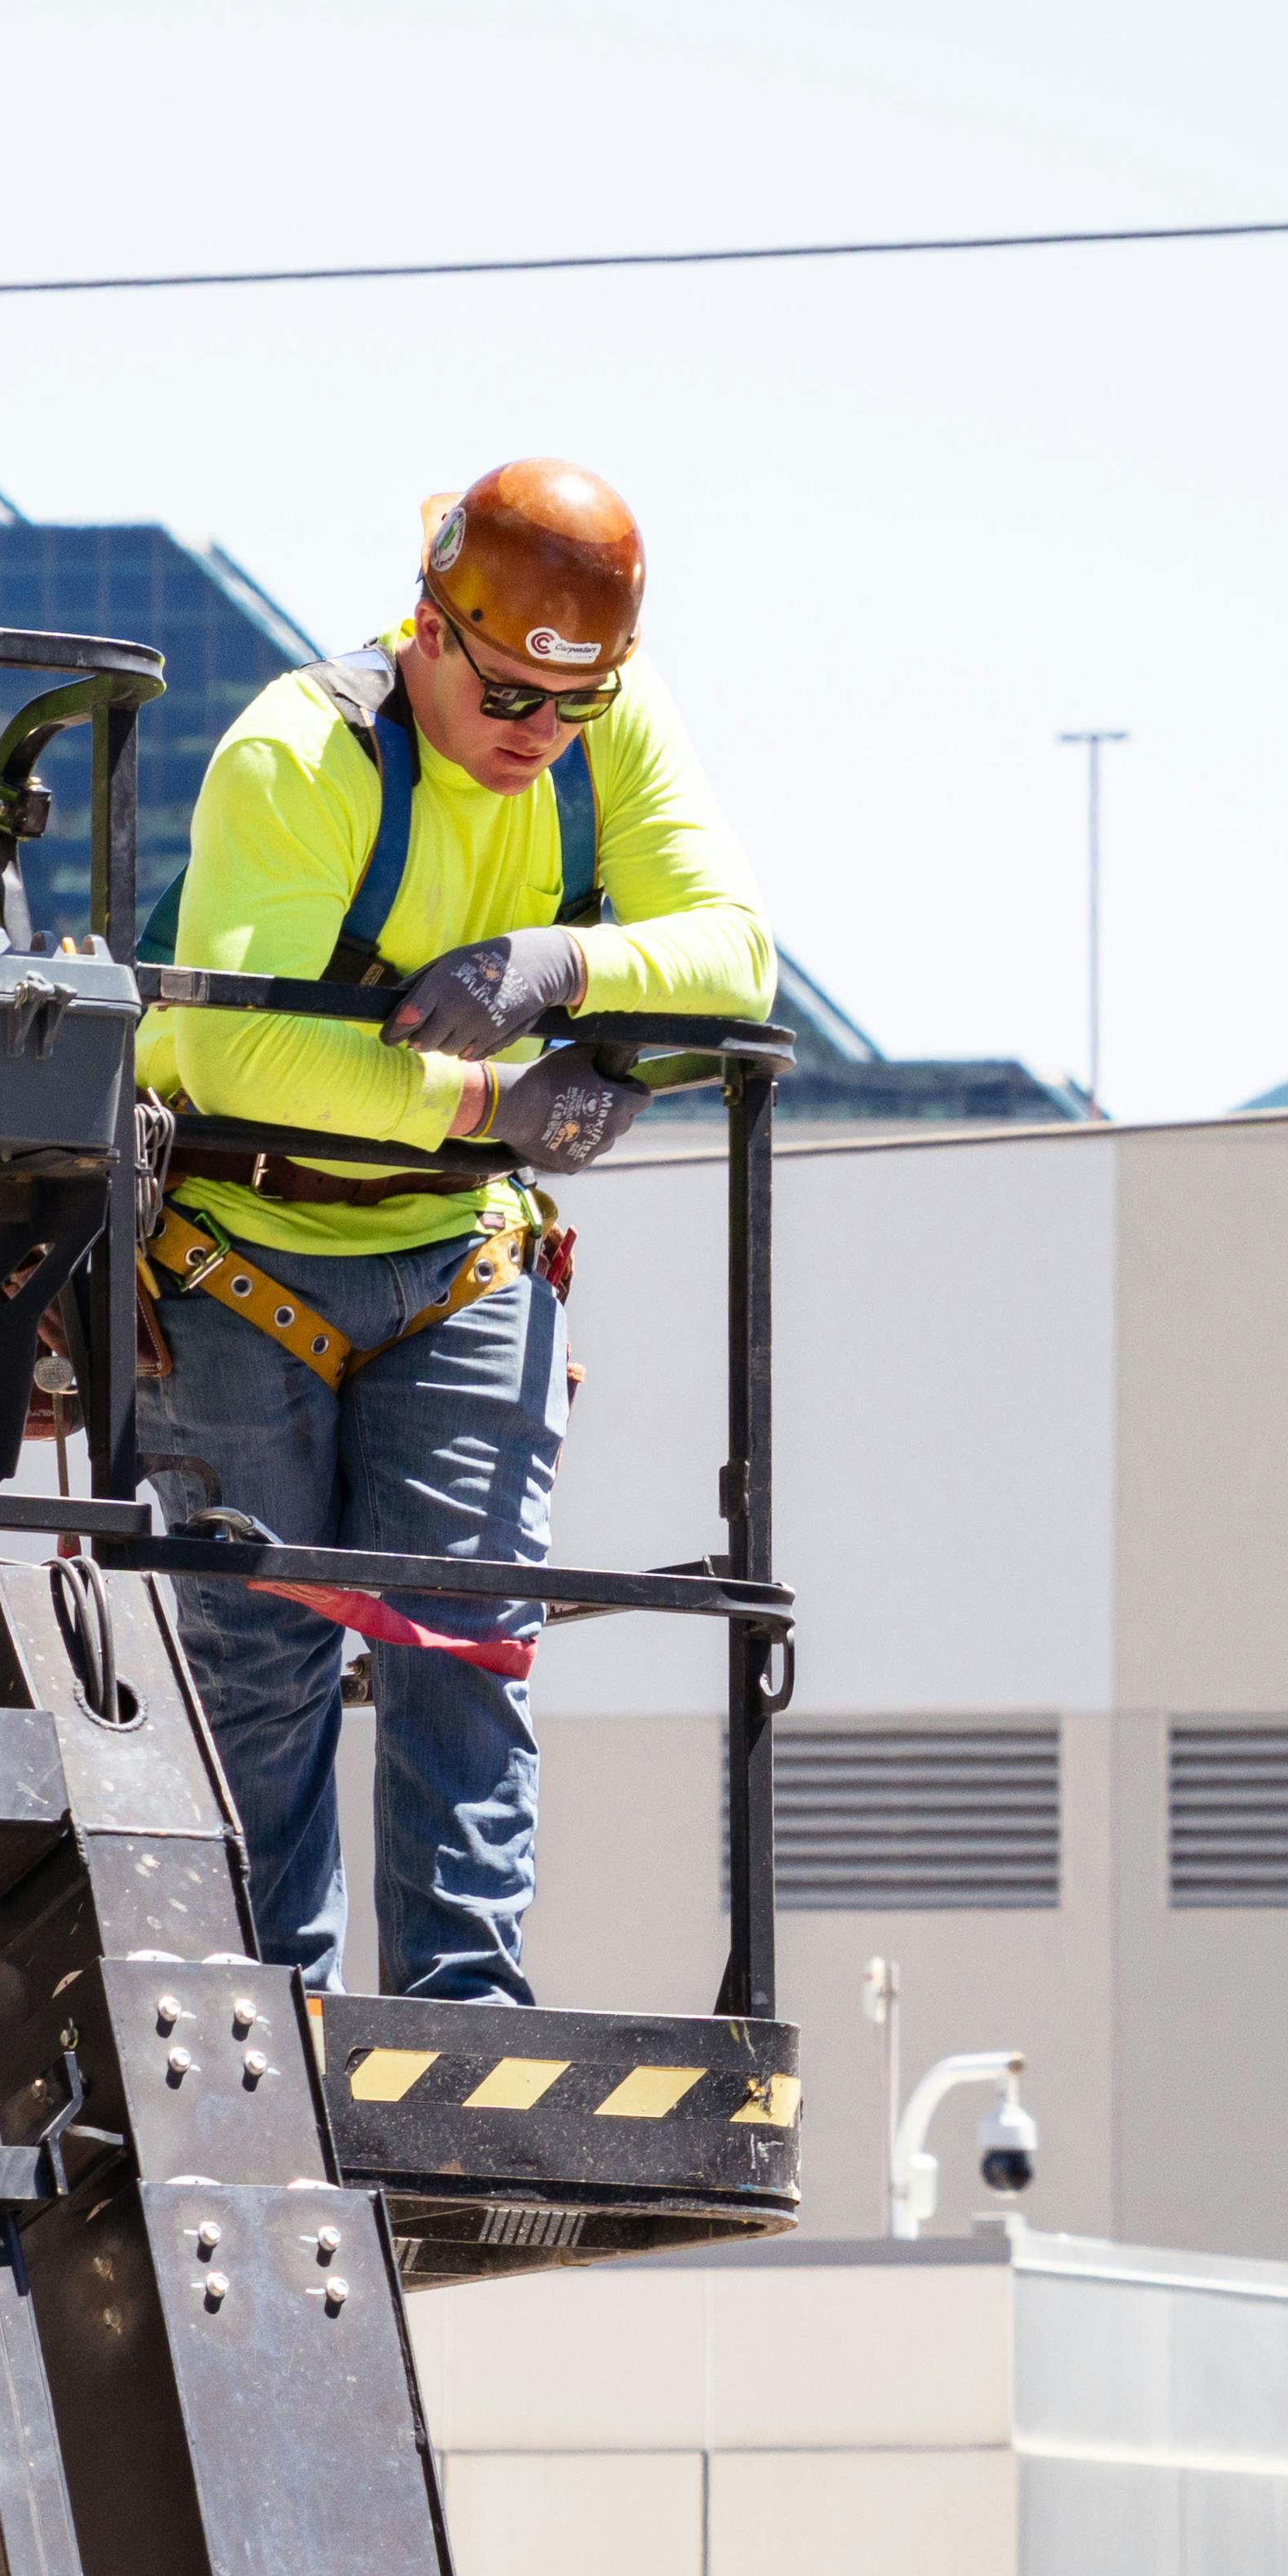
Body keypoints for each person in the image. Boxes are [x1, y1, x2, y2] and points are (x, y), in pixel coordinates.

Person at [129, 460, 774, 2004]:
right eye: (503, 696)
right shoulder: (305, 752)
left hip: (459, 1267)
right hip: (241, 1250)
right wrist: (490, 1101)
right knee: (257, 1670)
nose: (534, 735)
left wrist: (560, 962)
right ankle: (255, 2020)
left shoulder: (601, 716)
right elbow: (236, 1058)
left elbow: (735, 960)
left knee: (464, 1646)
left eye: (568, 707)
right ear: (427, 623)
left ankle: (459, 2022)